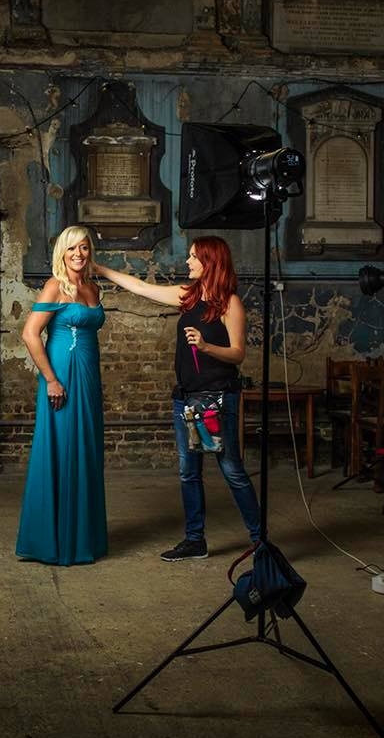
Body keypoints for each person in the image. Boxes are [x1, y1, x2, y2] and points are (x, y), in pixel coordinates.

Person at [94, 236, 261, 561]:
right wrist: (100, 269)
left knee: (232, 470)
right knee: (188, 472)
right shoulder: (189, 295)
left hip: (217, 398)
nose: (187, 262)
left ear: (210, 262)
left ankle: (260, 540)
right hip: (186, 398)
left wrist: (206, 346)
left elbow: (238, 353)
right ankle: (195, 541)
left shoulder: (229, 304)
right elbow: (141, 288)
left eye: (194, 256)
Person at [16, 226, 108, 566]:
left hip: (88, 374)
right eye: (72, 249)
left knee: (87, 448)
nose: (78, 254)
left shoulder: (93, 287)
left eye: (83, 248)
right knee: (63, 447)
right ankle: (55, 541)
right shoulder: (56, 285)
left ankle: (84, 537)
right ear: (62, 253)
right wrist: (51, 380)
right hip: (62, 374)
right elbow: (30, 334)